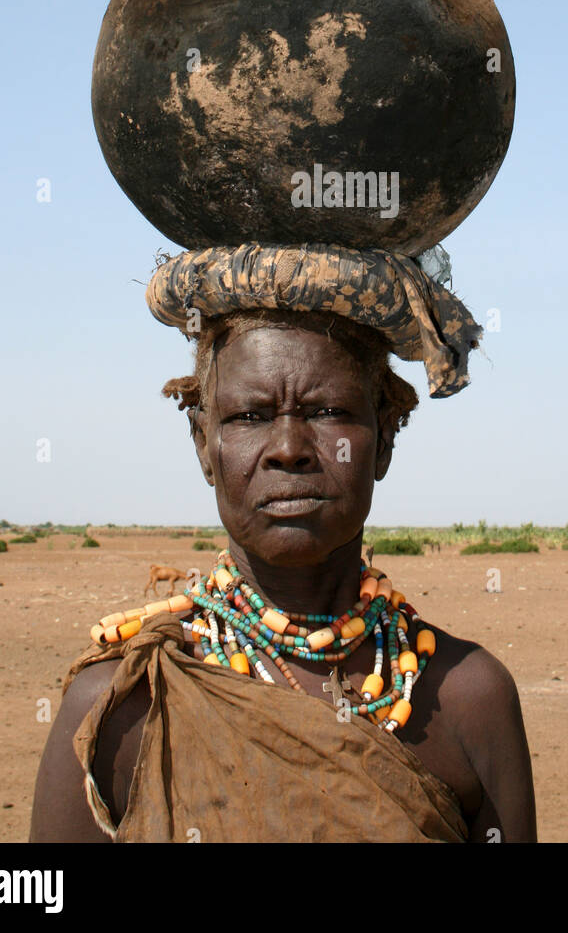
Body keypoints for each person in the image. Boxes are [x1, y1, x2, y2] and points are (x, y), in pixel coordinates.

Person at [29, 246, 536, 843]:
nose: (289, 447)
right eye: (250, 416)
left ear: (386, 436)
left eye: (328, 411)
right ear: (202, 443)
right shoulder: (122, 705)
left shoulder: (467, 698)